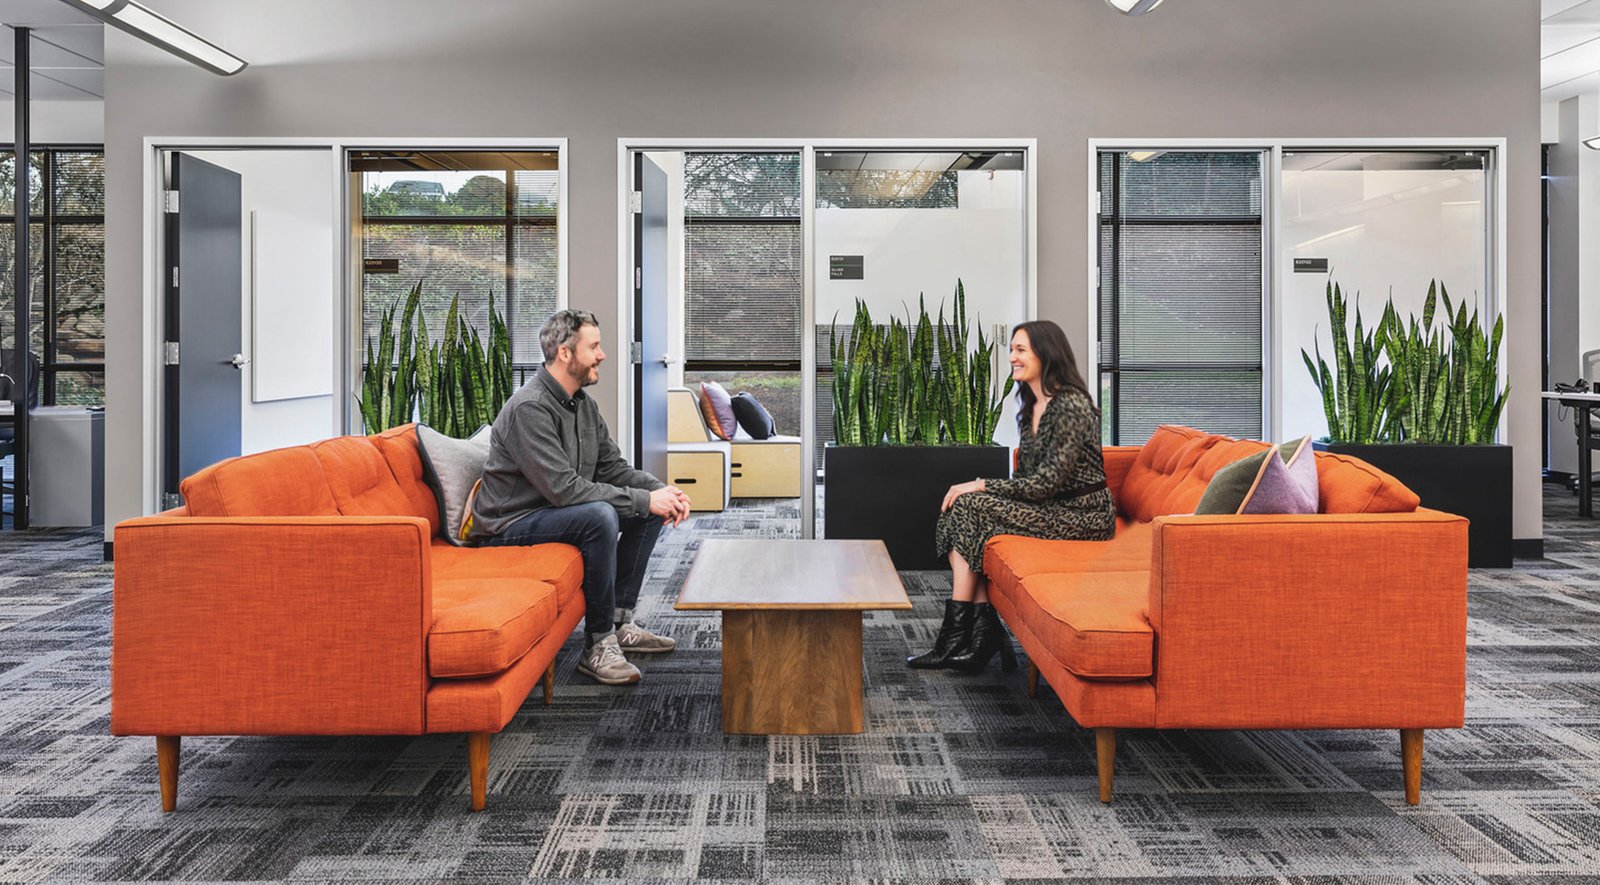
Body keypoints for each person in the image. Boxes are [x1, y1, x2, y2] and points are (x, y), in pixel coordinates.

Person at [470, 309, 693, 686]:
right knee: (601, 516)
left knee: (646, 506)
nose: (602, 354)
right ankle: (598, 644)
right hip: (509, 524)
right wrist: (641, 499)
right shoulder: (530, 408)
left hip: (550, 513)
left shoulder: (582, 404)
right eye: (594, 346)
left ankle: (621, 621)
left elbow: (612, 467)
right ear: (565, 353)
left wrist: (658, 491)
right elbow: (564, 489)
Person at [911, 320, 1116, 673]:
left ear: (1046, 354)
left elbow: (1044, 485)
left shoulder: (1070, 406)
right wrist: (979, 490)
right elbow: (1027, 480)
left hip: (1082, 515)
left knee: (972, 502)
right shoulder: (1030, 405)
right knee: (959, 507)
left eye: (1021, 350)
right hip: (1050, 507)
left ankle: (958, 636)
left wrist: (981, 484)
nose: (1012, 358)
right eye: (1011, 350)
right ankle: (979, 632)